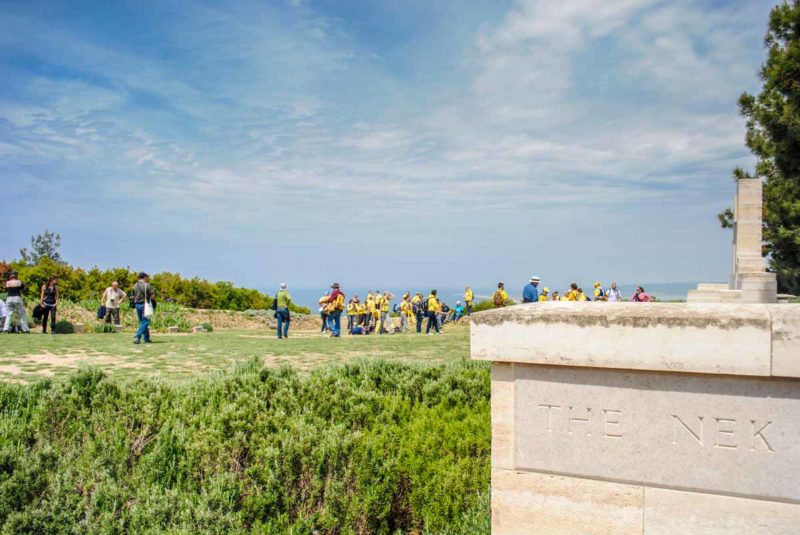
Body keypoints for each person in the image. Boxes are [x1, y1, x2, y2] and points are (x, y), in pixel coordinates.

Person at [131, 272, 155, 344]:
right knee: (146, 321)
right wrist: (149, 300)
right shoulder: (147, 285)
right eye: (147, 277)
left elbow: (132, 296)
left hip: (137, 305)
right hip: (145, 305)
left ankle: (146, 338)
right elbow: (153, 294)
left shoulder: (134, 286)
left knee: (143, 322)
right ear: (144, 277)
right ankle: (138, 336)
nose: (147, 279)